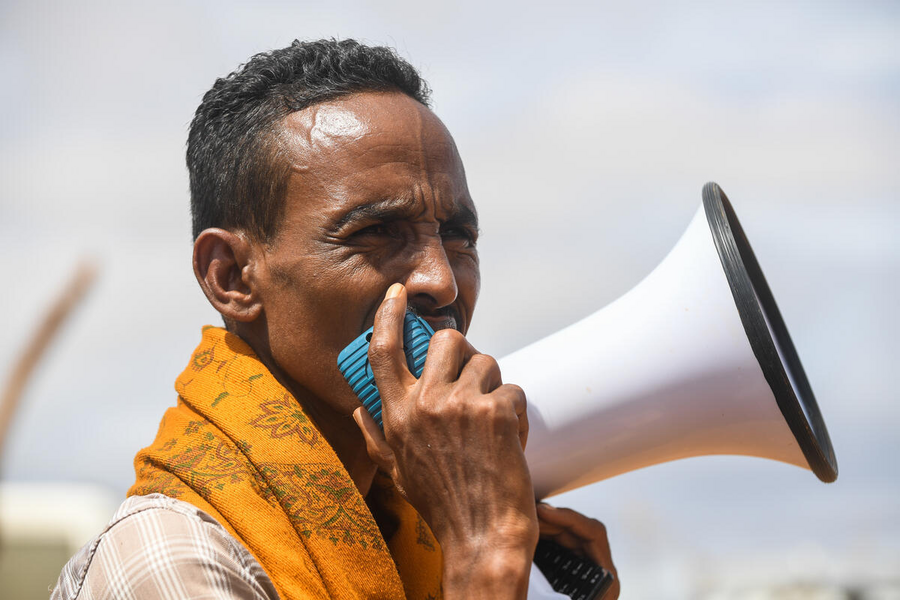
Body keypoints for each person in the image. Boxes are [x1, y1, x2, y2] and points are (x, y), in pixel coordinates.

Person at [51, 39, 618, 600]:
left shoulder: (421, 535)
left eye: (457, 235)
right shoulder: (172, 561)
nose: (441, 280)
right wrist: (484, 554)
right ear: (231, 278)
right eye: (375, 232)